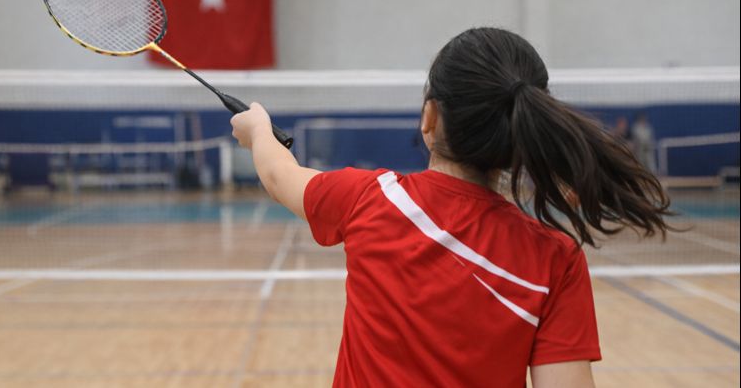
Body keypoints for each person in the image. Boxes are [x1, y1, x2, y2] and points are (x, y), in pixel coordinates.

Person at [230, 27, 672, 388]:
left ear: (430, 118)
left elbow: (277, 176)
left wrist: (258, 129)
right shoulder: (556, 260)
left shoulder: (371, 199)